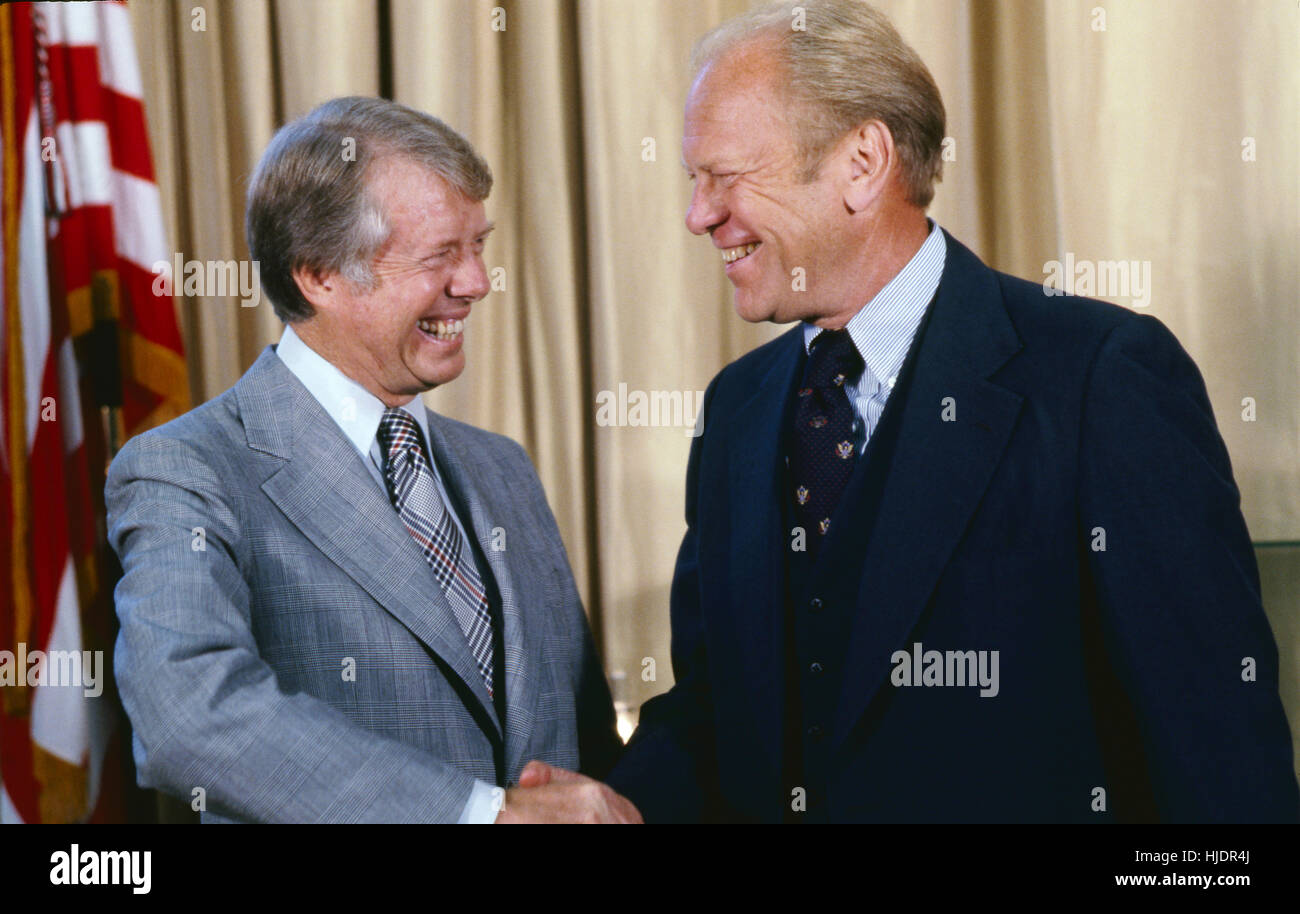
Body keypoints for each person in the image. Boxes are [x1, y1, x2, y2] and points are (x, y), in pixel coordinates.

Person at [525, 0, 1298, 822]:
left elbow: (1219, 756)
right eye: (693, 181)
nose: (698, 215)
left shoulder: (1099, 378)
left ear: (863, 161)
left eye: (725, 176)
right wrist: (614, 807)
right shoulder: (738, 411)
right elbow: (720, 711)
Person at [106, 96, 638, 824]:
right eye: (440, 255)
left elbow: (585, 745)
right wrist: (484, 814)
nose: (477, 282)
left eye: (478, 245)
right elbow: (189, 716)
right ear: (320, 275)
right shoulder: (187, 470)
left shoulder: (501, 467)